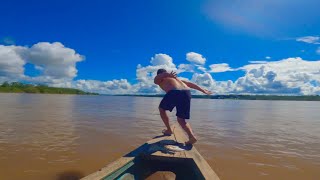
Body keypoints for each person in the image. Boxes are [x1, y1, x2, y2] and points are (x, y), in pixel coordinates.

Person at [154, 68, 212, 145]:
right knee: (181, 119)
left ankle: (169, 130)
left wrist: (167, 74)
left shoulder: (160, 78)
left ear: (158, 74)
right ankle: (192, 137)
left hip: (175, 92)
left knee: (161, 109)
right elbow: (190, 84)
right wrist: (203, 90)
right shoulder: (177, 79)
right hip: (187, 93)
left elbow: (160, 77)